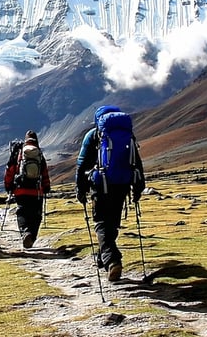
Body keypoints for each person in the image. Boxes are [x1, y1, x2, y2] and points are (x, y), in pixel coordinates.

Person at [75, 105, 145, 282]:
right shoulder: (127, 134)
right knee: (112, 223)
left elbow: (82, 164)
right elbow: (136, 162)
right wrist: (138, 188)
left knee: (101, 223)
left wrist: (80, 189)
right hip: (122, 184)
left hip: (101, 185)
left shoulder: (93, 135)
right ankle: (104, 258)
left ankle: (112, 260)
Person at [4, 130, 51, 248]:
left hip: (20, 190)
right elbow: (44, 172)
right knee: (36, 215)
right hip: (36, 191)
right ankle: (32, 236)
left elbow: (10, 170)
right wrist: (46, 187)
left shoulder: (18, 153)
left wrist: (8, 185)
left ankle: (25, 232)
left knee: (22, 212)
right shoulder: (39, 154)